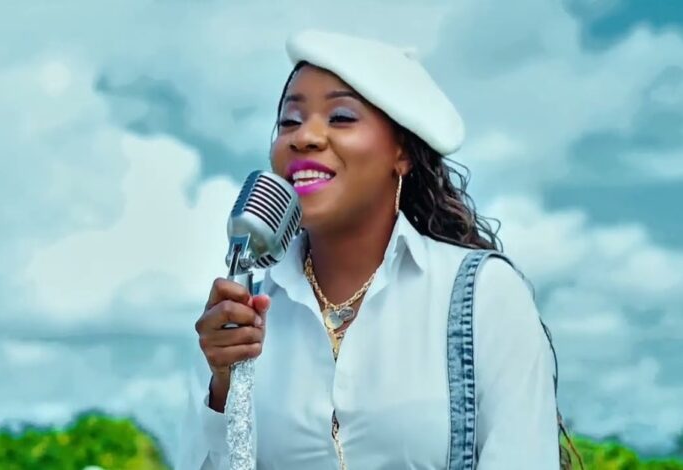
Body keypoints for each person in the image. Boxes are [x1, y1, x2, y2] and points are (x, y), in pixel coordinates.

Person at [176, 29, 581, 470]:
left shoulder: (484, 295)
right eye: (290, 121)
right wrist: (224, 385)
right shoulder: (242, 314)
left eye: (341, 117)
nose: (305, 137)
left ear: (402, 153)